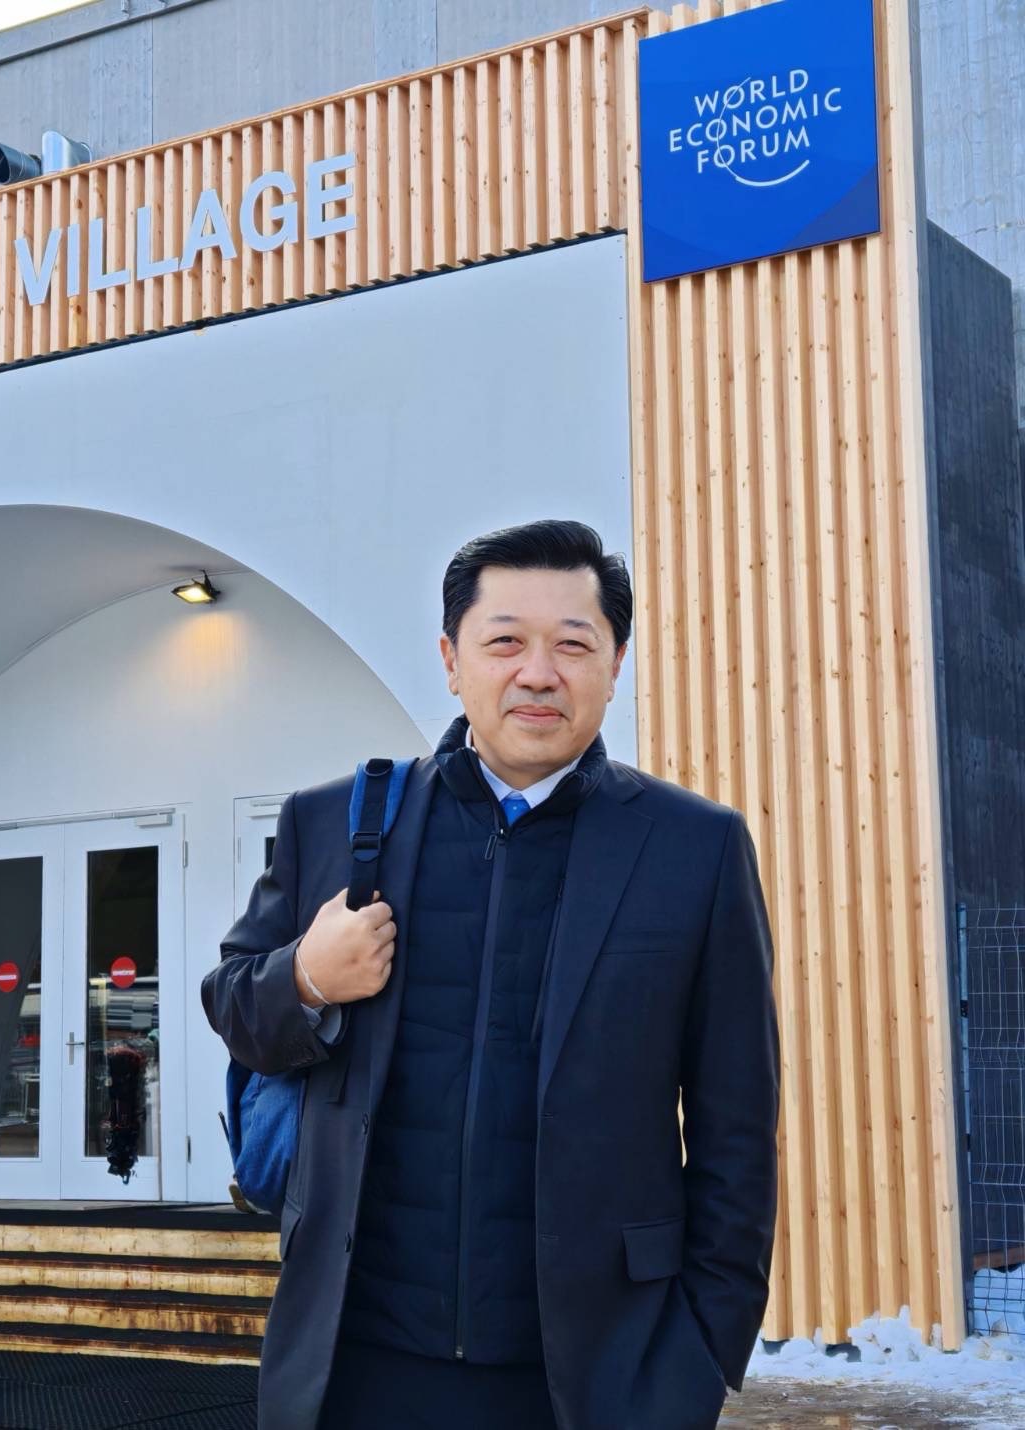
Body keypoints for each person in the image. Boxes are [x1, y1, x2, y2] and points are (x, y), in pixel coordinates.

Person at [201, 519, 780, 1430]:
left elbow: (736, 1126)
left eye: (573, 645)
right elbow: (234, 1006)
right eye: (505, 641)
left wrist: (702, 1352)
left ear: (615, 664)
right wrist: (305, 978)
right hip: (360, 1365)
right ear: (451, 659)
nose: (538, 673)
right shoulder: (335, 825)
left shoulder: (694, 848)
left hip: (593, 1377)